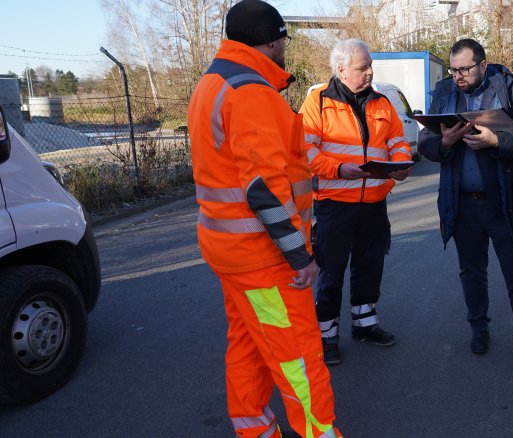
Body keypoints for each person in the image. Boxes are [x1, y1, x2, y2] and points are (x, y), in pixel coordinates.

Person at [187, 1, 341, 437]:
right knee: (298, 358)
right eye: (284, 40)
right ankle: (320, 432)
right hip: (264, 259)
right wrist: (299, 257)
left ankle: (255, 429)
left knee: (248, 347)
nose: (285, 47)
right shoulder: (250, 91)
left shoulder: (211, 85)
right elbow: (263, 188)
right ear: (272, 40)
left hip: (230, 251)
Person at [418, 39, 513, 371]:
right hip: (463, 205)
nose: (458, 76)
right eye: (453, 69)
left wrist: (497, 140)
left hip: (506, 204)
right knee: (471, 272)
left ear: (483, 65)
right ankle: (479, 329)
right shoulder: (444, 92)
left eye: (464, 69)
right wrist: (442, 142)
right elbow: (425, 144)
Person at [301, 39, 412, 366]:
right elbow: (304, 151)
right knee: (331, 271)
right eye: (363, 67)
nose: (370, 72)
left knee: (370, 264)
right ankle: (327, 334)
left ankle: (365, 324)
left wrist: (402, 165)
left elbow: (398, 142)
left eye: (370, 65)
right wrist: (337, 168)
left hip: (374, 203)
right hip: (335, 203)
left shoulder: (381, 102)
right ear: (341, 70)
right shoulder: (317, 102)